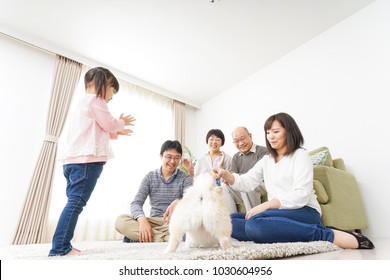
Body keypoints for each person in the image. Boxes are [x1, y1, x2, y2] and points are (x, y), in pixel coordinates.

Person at [215, 112, 374, 249]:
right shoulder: (267, 160)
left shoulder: (300, 155)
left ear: (288, 131)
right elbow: (246, 182)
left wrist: (268, 204)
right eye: (268, 132)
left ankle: (326, 234)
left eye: (275, 131)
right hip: (279, 213)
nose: (270, 136)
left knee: (255, 223)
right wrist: (225, 174)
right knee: (230, 221)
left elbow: (302, 194)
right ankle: (271, 231)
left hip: (305, 211)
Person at [49, 67, 136, 257]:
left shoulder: (81, 102)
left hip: (72, 162)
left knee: (73, 201)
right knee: (76, 202)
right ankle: (60, 248)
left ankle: (62, 244)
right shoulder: (97, 100)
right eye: (113, 90)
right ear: (103, 83)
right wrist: (120, 123)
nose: (112, 97)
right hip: (87, 162)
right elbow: (109, 123)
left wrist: (115, 131)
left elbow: (94, 128)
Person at [115, 140, 193, 243]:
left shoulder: (185, 178)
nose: (172, 161)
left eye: (177, 157)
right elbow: (136, 203)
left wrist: (180, 202)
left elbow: (193, 202)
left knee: (192, 229)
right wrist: (142, 221)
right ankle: (166, 239)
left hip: (175, 222)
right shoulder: (150, 177)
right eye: (169, 157)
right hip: (154, 221)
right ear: (161, 156)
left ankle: (146, 237)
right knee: (121, 221)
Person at [183, 129, 240, 213]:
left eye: (217, 139)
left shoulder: (228, 159)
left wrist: (221, 168)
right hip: (205, 194)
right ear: (207, 141)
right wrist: (190, 171)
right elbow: (196, 182)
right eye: (211, 139)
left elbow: (231, 181)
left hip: (222, 193)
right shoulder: (201, 160)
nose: (214, 142)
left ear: (222, 142)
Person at [231, 126, 268, 212]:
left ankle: (253, 219)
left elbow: (260, 176)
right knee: (225, 187)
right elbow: (234, 178)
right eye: (236, 141)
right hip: (245, 189)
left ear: (250, 136)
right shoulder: (236, 157)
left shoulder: (264, 151)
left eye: (242, 138)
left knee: (247, 185)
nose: (240, 143)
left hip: (261, 185)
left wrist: (239, 177)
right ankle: (232, 219)